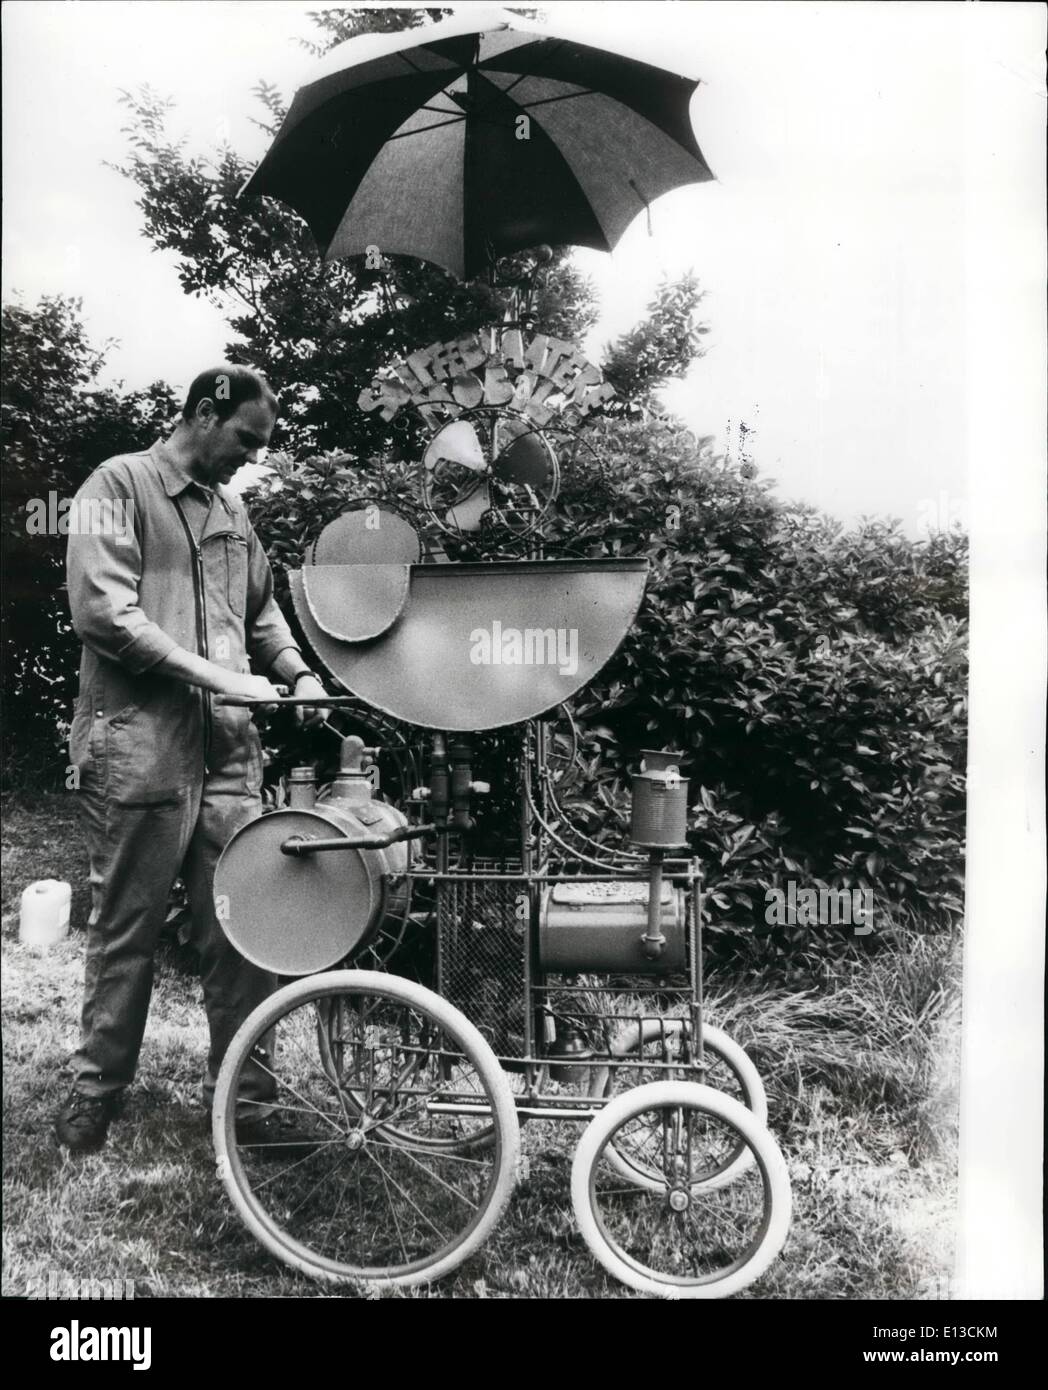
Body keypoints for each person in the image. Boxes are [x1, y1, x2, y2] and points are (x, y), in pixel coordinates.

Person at [58, 365, 330, 1152]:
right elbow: (105, 616)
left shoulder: (233, 509)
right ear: (206, 413)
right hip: (138, 753)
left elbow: (262, 610)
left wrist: (296, 672)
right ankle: (93, 1095)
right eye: (245, 440)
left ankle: (246, 1103)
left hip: (230, 758)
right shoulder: (116, 486)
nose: (250, 459)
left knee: (244, 927)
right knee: (126, 931)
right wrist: (221, 676)